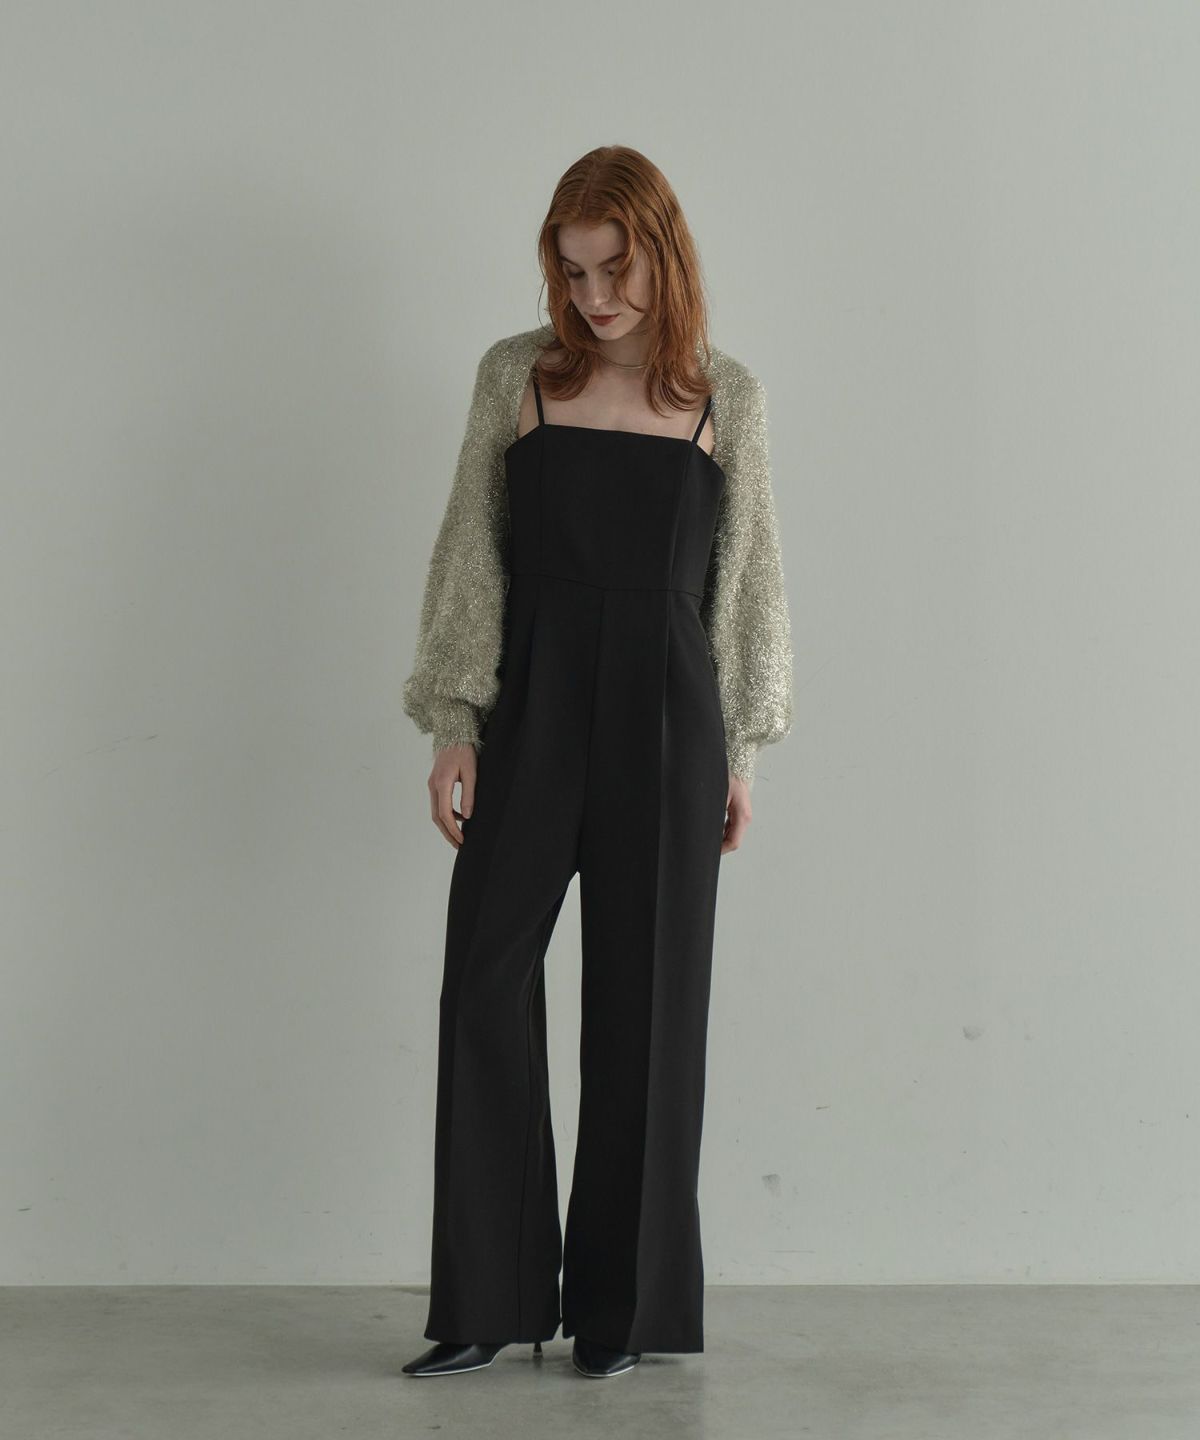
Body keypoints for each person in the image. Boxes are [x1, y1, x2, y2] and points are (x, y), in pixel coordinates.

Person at [400, 145, 793, 1380]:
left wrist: (742, 748)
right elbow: (472, 549)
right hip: (534, 705)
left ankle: (621, 1314)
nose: (594, 296)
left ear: (662, 256)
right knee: (484, 984)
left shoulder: (726, 394)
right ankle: (488, 1298)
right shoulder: (517, 375)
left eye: (615, 268)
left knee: (648, 1012)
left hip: (670, 721)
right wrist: (455, 721)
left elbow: (748, 584)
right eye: (572, 273)